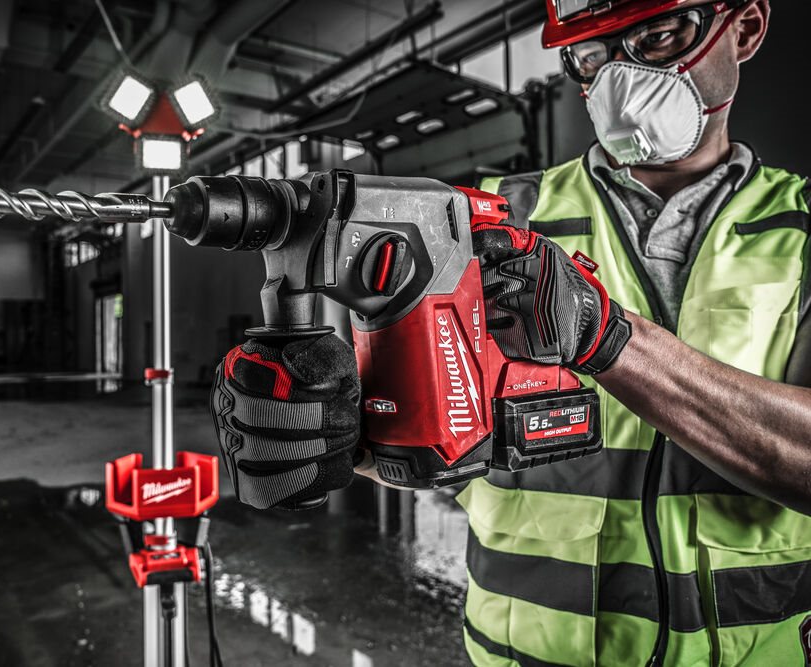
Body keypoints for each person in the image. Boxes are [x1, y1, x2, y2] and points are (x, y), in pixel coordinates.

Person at [209, 0, 811, 664]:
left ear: (745, 28)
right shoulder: (490, 218)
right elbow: (441, 447)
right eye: (591, 55)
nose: (621, 76)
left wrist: (612, 341)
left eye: (660, 36)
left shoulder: (803, 232)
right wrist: (335, 434)